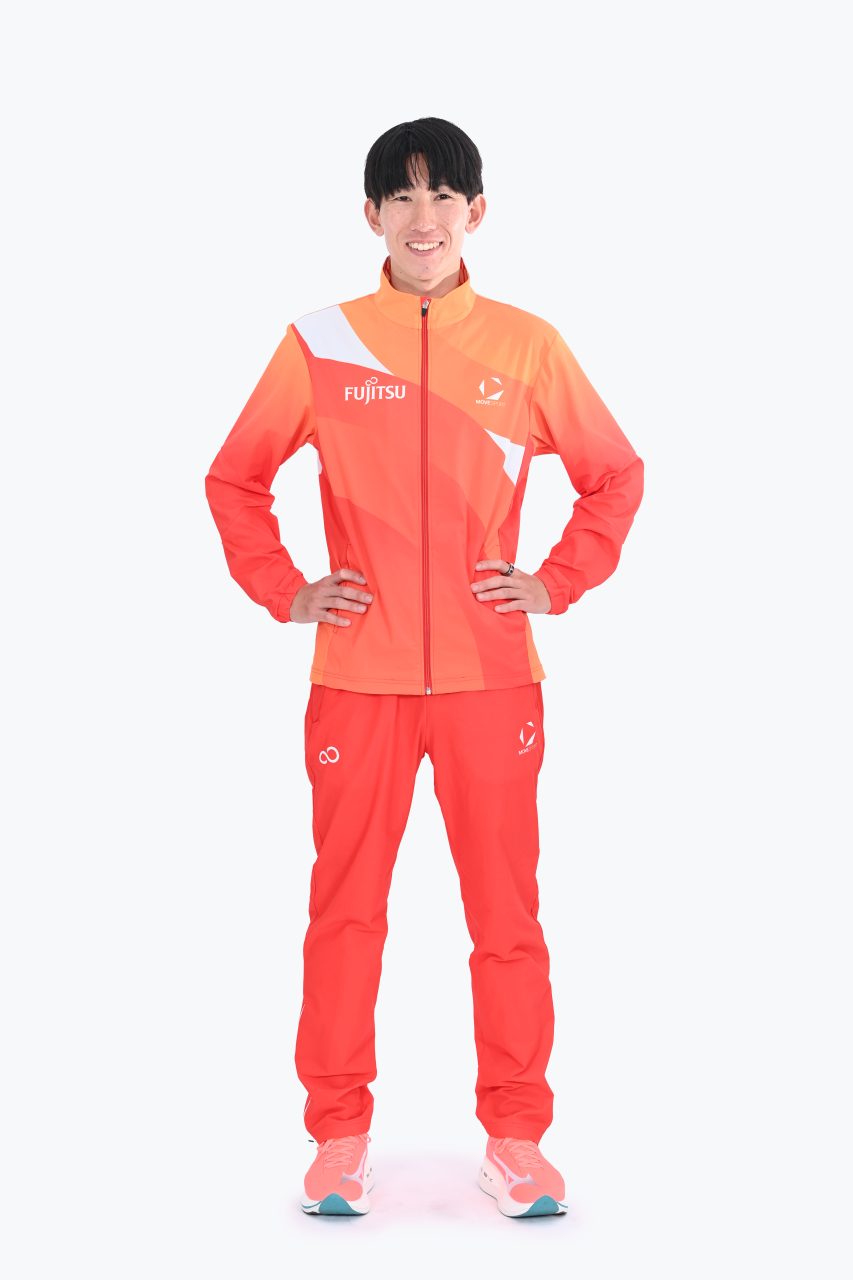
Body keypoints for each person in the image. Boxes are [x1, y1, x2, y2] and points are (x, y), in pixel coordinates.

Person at [204, 117, 644, 1219]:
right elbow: (234, 478)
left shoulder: (527, 345)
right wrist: (288, 589)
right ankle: (338, 1138)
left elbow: (613, 474)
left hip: (493, 679)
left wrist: (554, 580)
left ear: (475, 212)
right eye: (400, 196)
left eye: (443, 194)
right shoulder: (321, 341)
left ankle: (516, 1140)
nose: (423, 216)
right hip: (358, 676)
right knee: (344, 911)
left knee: (506, 917)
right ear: (370, 216)